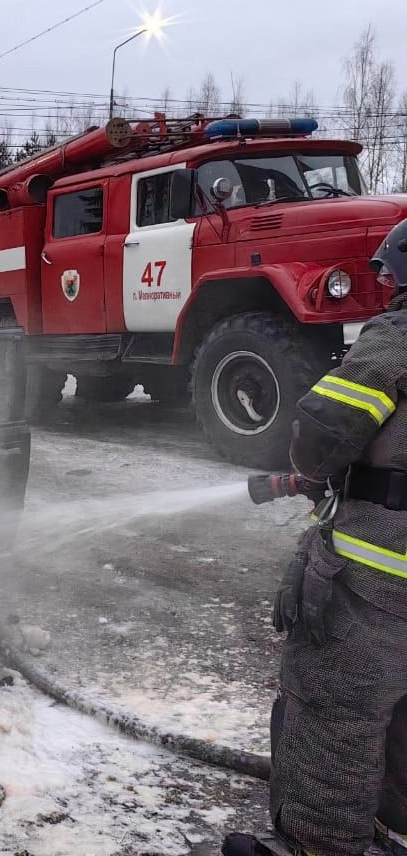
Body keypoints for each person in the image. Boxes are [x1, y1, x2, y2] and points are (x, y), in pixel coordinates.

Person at [224, 219, 407, 856]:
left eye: (389, 270)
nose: (382, 281)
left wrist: (321, 468)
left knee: (335, 700)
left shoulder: (396, 340)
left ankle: (315, 843)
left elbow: (321, 435)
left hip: (382, 575)